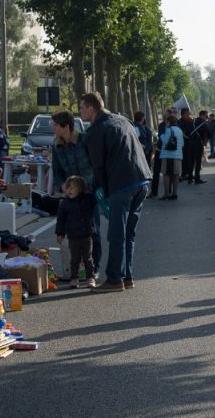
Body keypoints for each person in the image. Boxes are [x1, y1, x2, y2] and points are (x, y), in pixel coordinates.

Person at [80, 92, 152, 293]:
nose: (80, 112)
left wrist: (103, 192)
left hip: (121, 184)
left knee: (116, 234)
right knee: (129, 233)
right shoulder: (122, 120)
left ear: (91, 108)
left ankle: (114, 279)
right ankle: (127, 276)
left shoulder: (95, 131)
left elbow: (99, 167)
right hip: (142, 179)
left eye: (82, 108)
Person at [51, 111, 102, 277]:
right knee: (72, 233)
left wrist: (97, 186)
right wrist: (62, 186)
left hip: (89, 192)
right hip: (70, 195)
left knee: (92, 231)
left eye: (56, 125)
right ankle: (75, 271)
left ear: (66, 127)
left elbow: (97, 163)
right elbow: (56, 171)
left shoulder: (85, 139)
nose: (53, 128)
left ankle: (94, 269)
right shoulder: (56, 145)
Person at [55, 175, 97, 289]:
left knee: (87, 258)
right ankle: (74, 278)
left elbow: (95, 198)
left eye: (72, 188)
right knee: (74, 259)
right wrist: (60, 233)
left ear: (80, 189)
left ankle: (90, 277)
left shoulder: (87, 199)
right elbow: (61, 219)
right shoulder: (65, 203)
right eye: (68, 188)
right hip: (73, 236)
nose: (69, 190)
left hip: (86, 235)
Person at [158, 114, 184, 200]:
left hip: (168, 155)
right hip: (178, 155)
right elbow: (183, 144)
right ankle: (175, 193)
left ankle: (166, 194)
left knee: (166, 174)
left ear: (168, 121)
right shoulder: (179, 130)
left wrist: (161, 135)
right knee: (176, 174)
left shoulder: (169, 129)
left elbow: (165, 141)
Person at [187, 110, 209, 184]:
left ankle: (189, 178)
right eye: (206, 116)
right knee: (198, 162)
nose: (207, 117)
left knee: (191, 161)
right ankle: (197, 179)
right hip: (198, 144)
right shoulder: (203, 124)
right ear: (202, 115)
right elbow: (209, 133)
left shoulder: (191, 122)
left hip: (190, 143)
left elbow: (187, 132)